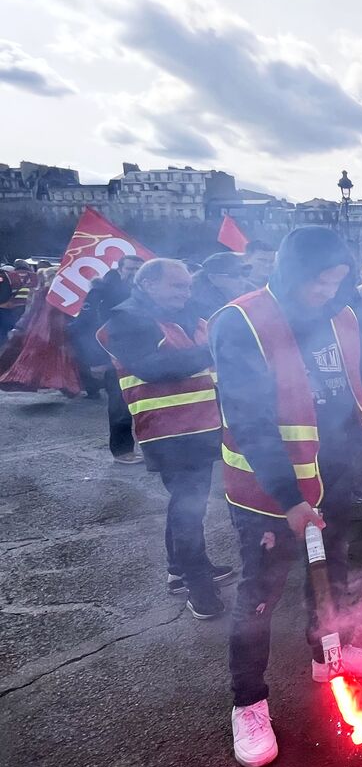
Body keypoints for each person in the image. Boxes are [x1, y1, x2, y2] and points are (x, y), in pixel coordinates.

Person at [211, 227, 362, 767]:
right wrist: (289, 498)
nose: (328, 293)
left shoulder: (345, 317)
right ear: (292, 273)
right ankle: (248, 703)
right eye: (319, 282)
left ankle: (328, 652)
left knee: (331, 573)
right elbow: (250, 420)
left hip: (335, 478)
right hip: (268, 493)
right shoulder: (241, 321)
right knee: (260, 596)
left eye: (337, 282)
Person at [97, 259, 234, 618]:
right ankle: (197, 584)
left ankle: (180, 569)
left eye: (187, 286)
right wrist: (215, 347)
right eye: (177, 286)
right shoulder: (126, 319)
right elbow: (154, 367)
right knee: (188, 506)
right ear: (148, 283)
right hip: (167, 431)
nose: (185, 293)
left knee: (190, 503)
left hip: (199, 426)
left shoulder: (185, 316)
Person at [75, 253, 146, 463]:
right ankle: (122, 450)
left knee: (143, 403)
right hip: (112, 356)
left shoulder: (142, 292)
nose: (134, 273)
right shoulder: (101, 291)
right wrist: (97, 360)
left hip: (140, 355)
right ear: (120, 269)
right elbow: (87, 327)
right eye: (130, 269)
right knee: (119, 405)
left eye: (138, 269)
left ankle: (149, 446)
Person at [189, 251, 252, 321]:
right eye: (234, 275)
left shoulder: (251, 293)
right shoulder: (201, 308)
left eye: (245, 274)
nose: (242, 281)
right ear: (213, 278)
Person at [0, 260, 39, 341]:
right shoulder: (36, 276)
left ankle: (10, 343)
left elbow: (6, 292)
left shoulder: (10, 275)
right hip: (32, 306)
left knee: (11, 328)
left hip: (13, 305)